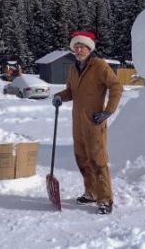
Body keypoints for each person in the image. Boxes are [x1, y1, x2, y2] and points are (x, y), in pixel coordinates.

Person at [52, 31, 123, 215]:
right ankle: (91, 193)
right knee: (82, 159)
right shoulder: (73, 68)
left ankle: (105, 199)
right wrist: (59, 96)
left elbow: (116, 86)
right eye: (76, 46)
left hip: (94, 122)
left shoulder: (99, 65)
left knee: (98, 161)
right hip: (78, 123)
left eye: (82, 46)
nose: (78, 49)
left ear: (89, 48)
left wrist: (108, 111)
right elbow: (70, 91)